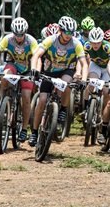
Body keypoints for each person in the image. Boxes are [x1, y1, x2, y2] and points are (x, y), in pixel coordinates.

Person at [29, 16, 88, 147]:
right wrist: (34, 69)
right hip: (49, 71)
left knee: (67, 84)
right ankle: (34, 132)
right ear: (60, 30)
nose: (69, 35)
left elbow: (83, 63)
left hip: (66, 70)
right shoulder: (51, 40)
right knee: (42, 100)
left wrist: (83, 79)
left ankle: (63, 109)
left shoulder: (76, 43)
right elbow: (36, 55)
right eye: (66, 32)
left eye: (71, 33)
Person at [0, 17, 38, 142]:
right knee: (5, 76)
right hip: (13, 64)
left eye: (21, 34)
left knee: (26, 97)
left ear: (25, 32)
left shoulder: (31, 41)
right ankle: (7, 99)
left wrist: (35, 70)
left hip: (27, 68)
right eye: (16, 34)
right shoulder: (7, 39)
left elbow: (36, 57)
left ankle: (24, 129)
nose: (19, 37)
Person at [82, 27, 110, 117]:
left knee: (106, 91)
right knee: (91, 84)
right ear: (89, 41)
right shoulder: (86, 46)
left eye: (98, 43)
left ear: (102, 41)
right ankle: (84, 108)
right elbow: (83, 60)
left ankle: (105, 113)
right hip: (95, 65)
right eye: (93, 42)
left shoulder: (108, 47)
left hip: (107, 68)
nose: (95, 45)